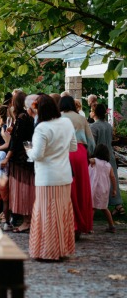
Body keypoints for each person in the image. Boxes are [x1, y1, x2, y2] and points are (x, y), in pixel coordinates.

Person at [27, 94, 77, 261]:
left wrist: (28, 151)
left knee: (46, 213)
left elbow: (38, 154)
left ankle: (48, 251)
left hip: (47, 177)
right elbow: (73, 147)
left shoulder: (42, 128)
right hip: (64, 175)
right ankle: (62, 248)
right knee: (62, 213)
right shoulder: (66, 123)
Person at [60, 96, 95, 238]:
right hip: (80, 153)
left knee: (67, 190)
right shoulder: (81, 118)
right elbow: (91, 142)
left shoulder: (58, 117)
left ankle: (68, 224)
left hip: (64, 153)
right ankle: (80, 226)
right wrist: (88, 154)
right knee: (81, 189)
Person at [0, 91, 35, 233]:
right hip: (27, 156)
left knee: (23, 190)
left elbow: (16, 142)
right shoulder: (27, 117)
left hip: (21, 160)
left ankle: (27, 221)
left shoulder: (21, 118)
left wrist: (7, 157)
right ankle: (29, 219)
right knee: (28, 189)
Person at [90, 104, 124, 217]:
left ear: (94, 113)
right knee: (113, 180)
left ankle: (97, 204)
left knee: (98, 182)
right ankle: (118, 205)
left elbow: (92, 144)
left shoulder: (93, 127)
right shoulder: (108, 126)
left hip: (99, 158)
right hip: (110, 156)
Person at [89, 144, 117, 233]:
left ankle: (89, 227)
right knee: (104, 207)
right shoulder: (108, 165)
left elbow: (88, 160)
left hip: (95, 188)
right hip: (105, 189)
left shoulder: (95, 161)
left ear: (96, 152)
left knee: (93, 207)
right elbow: (113, 177)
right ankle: (112, 226)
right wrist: (114, 189)